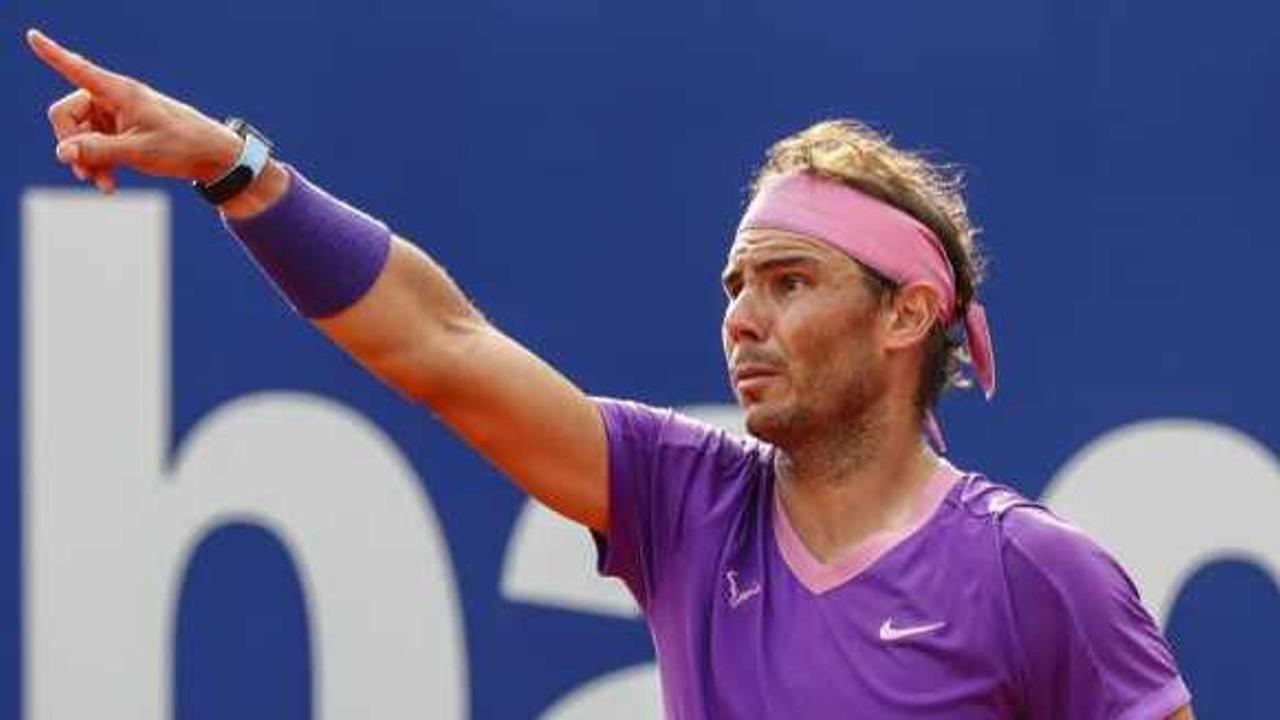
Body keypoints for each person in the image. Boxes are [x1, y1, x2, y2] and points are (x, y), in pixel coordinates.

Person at [26, 27, 1193, 719]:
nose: (741, 318)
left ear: (907, 316)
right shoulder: (683, 504)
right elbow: (442, 345)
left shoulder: (1036, 574)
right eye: (734, 286)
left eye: (787, 282)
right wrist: (236, 168)